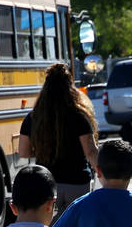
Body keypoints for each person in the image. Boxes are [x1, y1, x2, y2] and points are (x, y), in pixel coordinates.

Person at [18, 63, 99, 218]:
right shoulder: (79, 116)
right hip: (77, 182)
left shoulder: (33, 118)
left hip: (47, 184)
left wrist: (44, 149)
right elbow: (90, 151)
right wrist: (103, 173)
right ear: (70, 87)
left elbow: (24, 151)